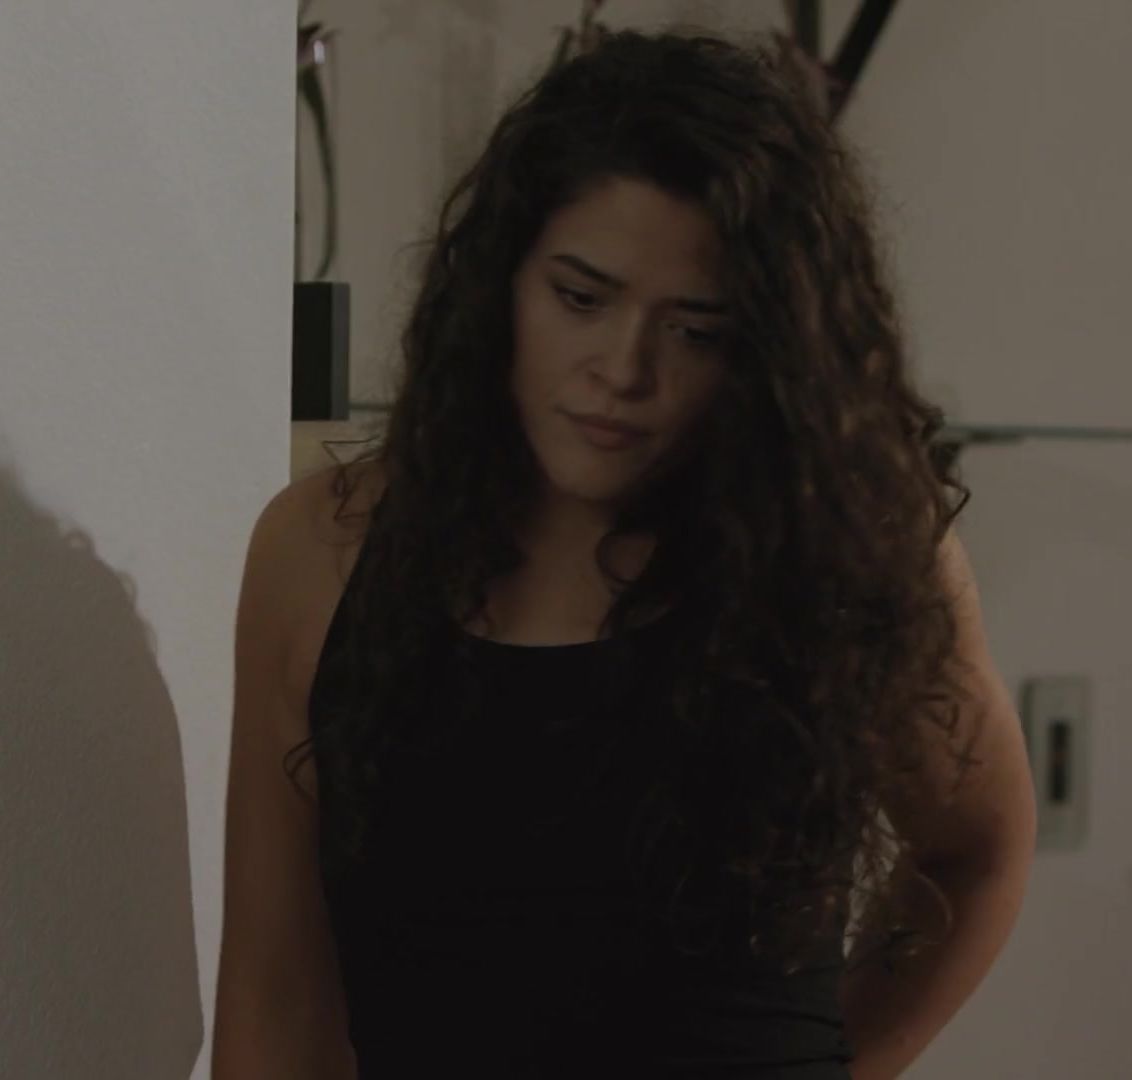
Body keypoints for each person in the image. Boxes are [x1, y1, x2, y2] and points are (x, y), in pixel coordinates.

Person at [212, 27, 1036, 1080]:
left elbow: (973, 852)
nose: (623, 369)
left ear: (766, 348)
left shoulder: (847, 548)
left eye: (694, 328)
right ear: (501, 284)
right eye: (581, 297)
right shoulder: (318, 553)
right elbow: (275, 993)